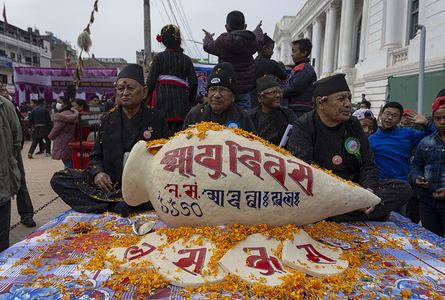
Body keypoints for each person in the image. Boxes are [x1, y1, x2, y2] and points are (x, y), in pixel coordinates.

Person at [286, 74, 410, 222]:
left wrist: (367, 191)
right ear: (320, 103)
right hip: (325, 189)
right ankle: (364, 213)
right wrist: (347, 194)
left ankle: (339, 214)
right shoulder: (304, 126)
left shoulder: (353, 125)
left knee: (403, 188)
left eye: (349, 99)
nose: (347, 104)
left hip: (355, 186)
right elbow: (306, 169)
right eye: (341, 99)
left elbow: (368, 164)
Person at [50, 64, 171, 216]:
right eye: (121, 89)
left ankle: (110, 203)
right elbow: (95, 156)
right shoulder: (107, 118)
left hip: (143, 186)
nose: (125, 93)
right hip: (111, 184)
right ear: (116, 92)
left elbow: (166, 158)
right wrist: (98, 173)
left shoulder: (156, 118)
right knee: (60, 179)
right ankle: (117, 204)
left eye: (131, 89)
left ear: (144, 92)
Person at [203, 10, 263, 111]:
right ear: (245, 26)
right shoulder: (251, 42)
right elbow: (260, 39)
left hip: (225, 89)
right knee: (243, 120)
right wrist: (258, 29)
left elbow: (207, 46)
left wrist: (208, 37)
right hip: (244, 91)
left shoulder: (222, 41)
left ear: (227, 27)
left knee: (223, 119)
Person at [147, 24, 198, 133]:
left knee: (160, 134)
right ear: (179, 40)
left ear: (163, 41)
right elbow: (193, 83)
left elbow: (150, 81)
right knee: (179, 135)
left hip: (161, 101)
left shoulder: (159, 57)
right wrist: (191, 101)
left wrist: (146, 98)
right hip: (181, 103)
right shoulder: (186, 60)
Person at [368, 102, 434, 183]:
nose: (390, 118)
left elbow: (434, 138)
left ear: (399, 119)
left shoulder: (408, 133)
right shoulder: (371, 139)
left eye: (395, 116)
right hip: (380, 184)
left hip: (402, 184)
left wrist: (426, 124)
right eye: (387, 114)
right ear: (381, 115)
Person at [183, 62, 256, 133]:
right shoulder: (195, 114)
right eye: (212, 89)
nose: (216, 95)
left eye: (223, 90)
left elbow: (252, 142)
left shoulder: (242, 117)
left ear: (233, 97)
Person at [410, 92, 445, 236]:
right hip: (427, 202)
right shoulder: (426, 141)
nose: (442, 122)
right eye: (438, 118)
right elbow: (416, 165)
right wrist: (417, 177)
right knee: (431, 244)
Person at [247, 74, 297, 146]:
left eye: (280, 92)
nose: (278, 96)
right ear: (260, 97)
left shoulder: (287, 114)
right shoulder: (251, 117)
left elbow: (295, 139)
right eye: (273, 92)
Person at [0, 94, 22, 251]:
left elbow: (16, 140)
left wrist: (6, 163)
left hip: (1, 180)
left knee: (2, 236)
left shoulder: (5, 106)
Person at [250, 33, 287, 108]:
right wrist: (281, 65)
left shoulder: (251, 64)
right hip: (267, 100)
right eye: (272, 49)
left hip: (252, 99)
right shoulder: (272, 64)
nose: (273, 52)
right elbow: (283, 76)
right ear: (265, 49)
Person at [282, 38, 317, 117]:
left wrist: (279, 93)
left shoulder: (303, 68)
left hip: (301, 108)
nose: (292, 54)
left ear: (304, 53)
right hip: (299, 106)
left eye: (294, 51)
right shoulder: (300, 67)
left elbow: (295, 88)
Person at [48, 96, 78, 168]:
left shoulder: (61, 116)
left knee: (67, 163)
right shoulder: (71, 113)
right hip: (70, 139)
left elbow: (56, 129)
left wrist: (50, 136)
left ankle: (69, 177)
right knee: (70, 160)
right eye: (57, 102)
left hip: (62, 141)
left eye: (60, 102)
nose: (57, 104)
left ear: (66, 104)